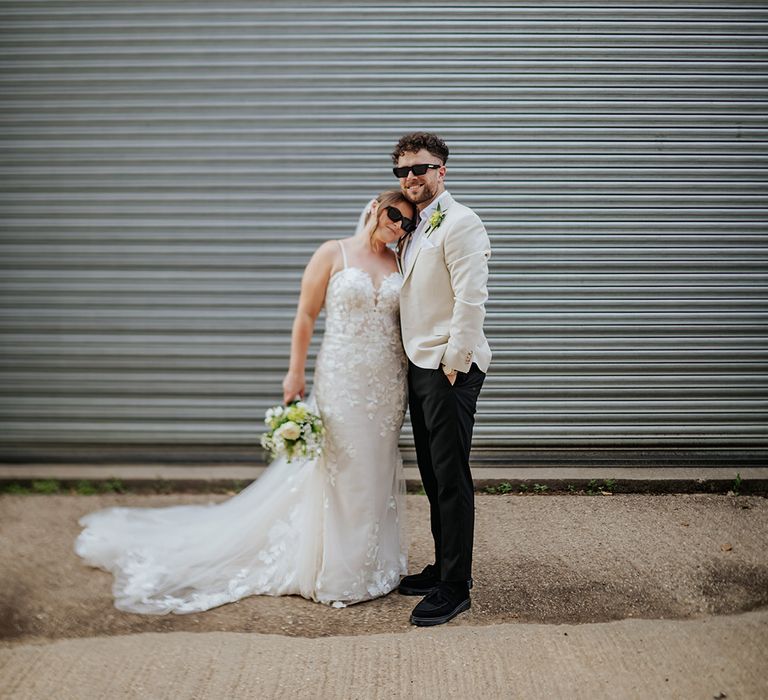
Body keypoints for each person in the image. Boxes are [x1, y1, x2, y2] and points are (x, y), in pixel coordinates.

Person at [74, 190, 417, 614]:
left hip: (386, 385)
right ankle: (332, 567)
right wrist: (294, 372)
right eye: (393, 214)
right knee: (338, 467)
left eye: (408, 222)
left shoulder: (401, 263)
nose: (398, 225)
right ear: (374, 209)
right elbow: (306, 315)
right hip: (341, 380)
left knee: (374, 469)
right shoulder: (334, 253)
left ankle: (370, 563)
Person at [393, 132, 492, 626]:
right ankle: (442, 567)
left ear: (441, 171)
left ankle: (456, 588)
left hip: (449, 369)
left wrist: (454, 360)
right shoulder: (413, 230)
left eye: (420, 168)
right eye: (403, 171)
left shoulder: (462, 222)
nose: (411, 178)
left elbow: (472, 298)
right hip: (420, 366)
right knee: (433, 477)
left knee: (451, 479)